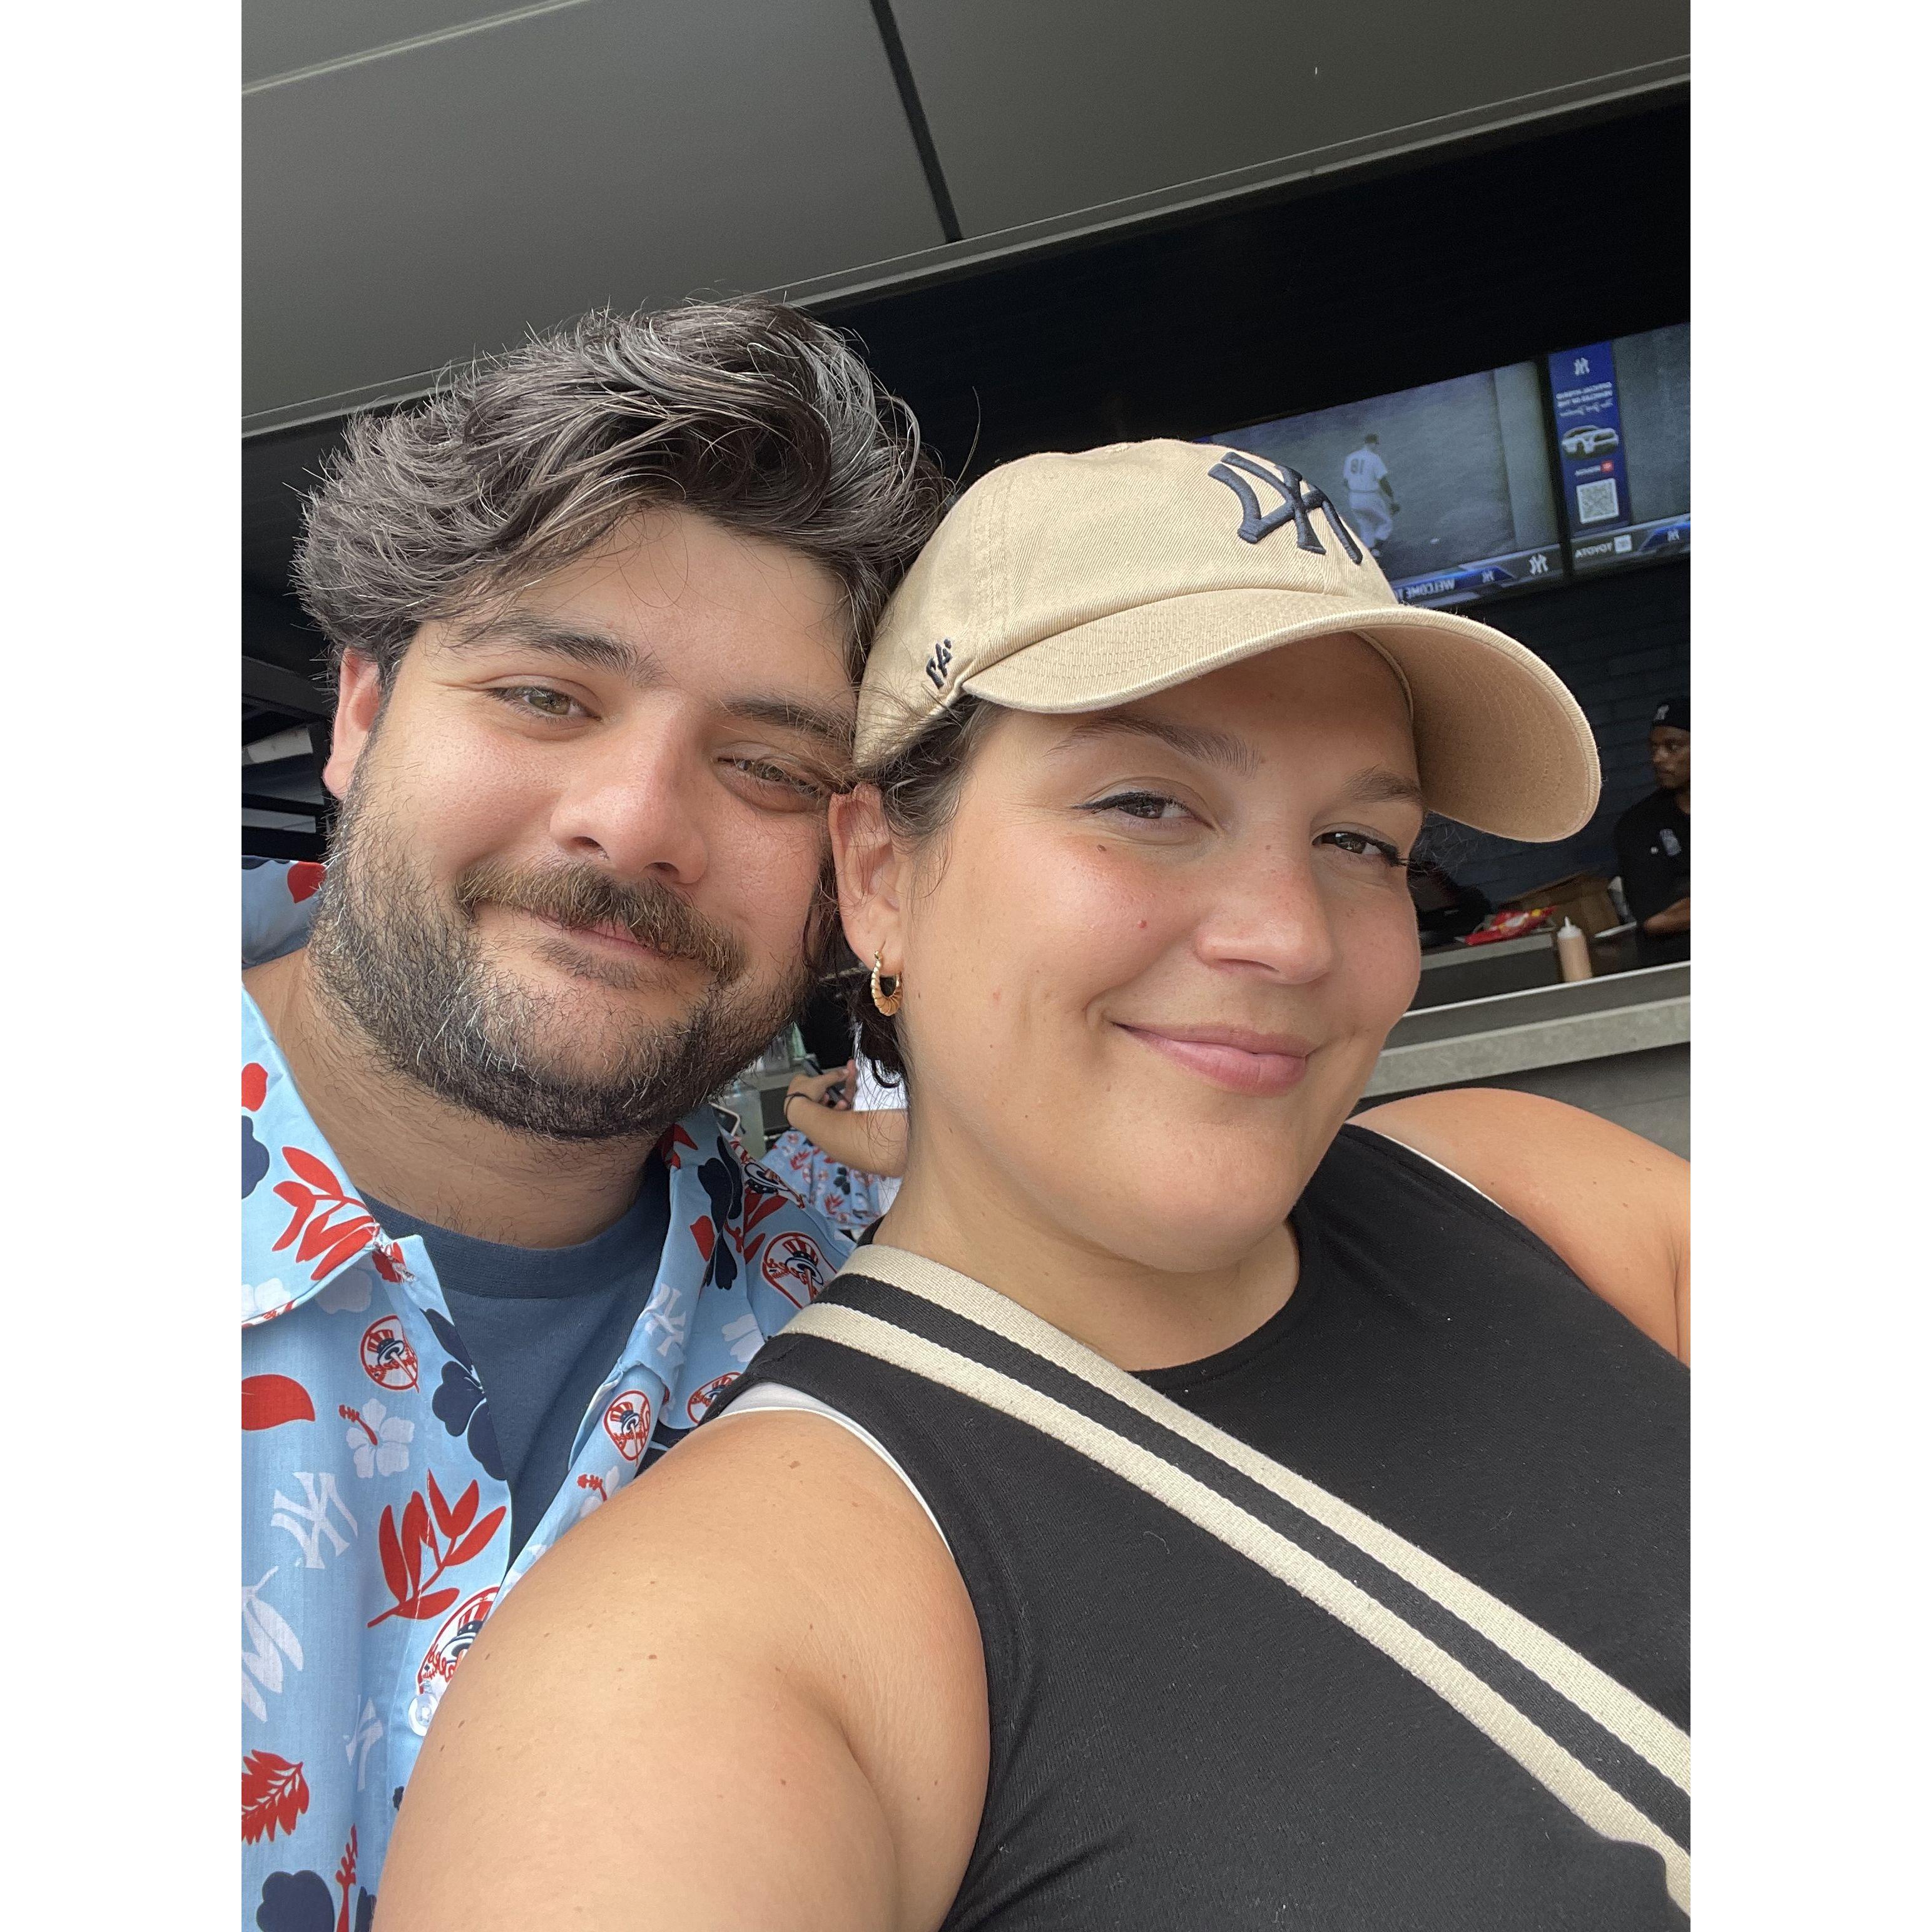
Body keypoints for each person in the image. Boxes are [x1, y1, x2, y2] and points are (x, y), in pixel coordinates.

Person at [379, 440, 1688, 1929]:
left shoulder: (1529, 1190)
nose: (1289, 936)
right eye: (1146, 801)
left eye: (1358, 841)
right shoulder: (709, 1645)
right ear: (879, 875)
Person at [241, 298, 943, 1921]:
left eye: (770, 768)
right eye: (548, 696)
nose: (634, 825)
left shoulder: (874, 1341)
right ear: (362, 714)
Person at [761, 1041, 910, 1234]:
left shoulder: (887, 1024)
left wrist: (796, 1107)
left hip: (913, 1216)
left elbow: (885, 1148)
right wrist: (858, 1112)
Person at [1614, 696, 1690, 967]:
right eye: (1654, 748)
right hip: (1677, 971)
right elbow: (1657, 920)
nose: (1658, 759)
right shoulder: (1639, 824)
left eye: (1673, 747)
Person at [1341, 429, 1398, 555]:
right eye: (1376, 444)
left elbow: (1346, 482)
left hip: (1354, 497)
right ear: (1373, 444)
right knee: (1386, 523)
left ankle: (1368, 553)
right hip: (1370, 496)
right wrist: (1392, 499)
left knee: (1366, 526)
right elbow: (1383, 481)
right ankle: (1376, 549)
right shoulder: (1374, 458)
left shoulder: (1351, 457)